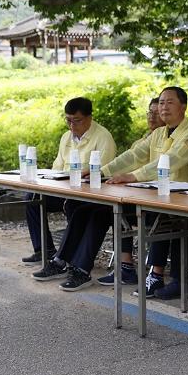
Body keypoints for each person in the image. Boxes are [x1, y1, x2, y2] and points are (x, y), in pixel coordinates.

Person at [36, 86, 188, 293]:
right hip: (150, 195)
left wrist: (133, 176)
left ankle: (151, 275)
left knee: (107, 212)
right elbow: (133, 156)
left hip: (179, 201)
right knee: (90, 211)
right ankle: (66, 262)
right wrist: (98, 171)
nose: (163, 107)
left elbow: (171, 160)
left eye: (170, 102)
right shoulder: (158, 133)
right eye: (161, 102)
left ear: (184, 106)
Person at [20, 97, 117, 264]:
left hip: (88, 194)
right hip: (64, 189)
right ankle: (44, 250)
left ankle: (70, 257)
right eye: (68, 121)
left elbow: (103, 173)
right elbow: (57, 167)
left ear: (89, 118)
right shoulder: (66, 137)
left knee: (72, 205)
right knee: (33, 198)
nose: (72, 126)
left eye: (77, 121)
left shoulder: (103, 137)